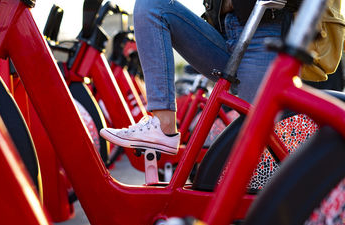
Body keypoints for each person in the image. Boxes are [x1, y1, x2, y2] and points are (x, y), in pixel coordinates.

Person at [100, 0, 293, 155]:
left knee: (263, 149)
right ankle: (162, 126)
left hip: (265, 29)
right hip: (223, 31)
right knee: (151, 6)